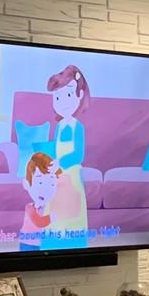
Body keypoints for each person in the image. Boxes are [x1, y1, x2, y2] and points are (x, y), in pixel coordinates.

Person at [45, 64, 91, 250]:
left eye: (68, 95)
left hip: (72, 173)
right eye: (57, 97)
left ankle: (74, 241)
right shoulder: (59, 127)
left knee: (72, 210)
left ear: (79, 96)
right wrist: (50, 164)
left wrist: (61, 163)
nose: (62, 101)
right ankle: (53, 241)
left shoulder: (77, 127)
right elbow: (55, 150)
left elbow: (78, 155)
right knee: (55, 208)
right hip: (57, 174)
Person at [19, 151, 59, 250]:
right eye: (40, 182)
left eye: (52, 184)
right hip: (27, 243)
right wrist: (51, 217)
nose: (45, 190)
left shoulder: (46, 207)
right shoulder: (29, 208)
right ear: (26, 184)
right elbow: (39, 222)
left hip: (40, 243)